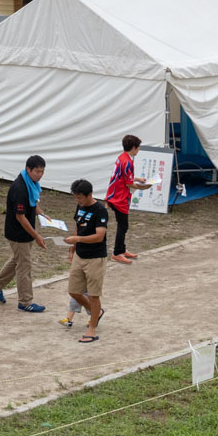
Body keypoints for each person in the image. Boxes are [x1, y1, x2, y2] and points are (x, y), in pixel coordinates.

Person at [0, 154, 48, 312]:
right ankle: (25, 301)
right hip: (18, 233)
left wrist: (41, 214)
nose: (40, 175)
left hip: (24, 232)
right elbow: (20, 217)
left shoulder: (31, 184)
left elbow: (33, 204)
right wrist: (37, 236)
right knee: (24, 266)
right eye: (37, 172)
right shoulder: (20, 188)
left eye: (42, 172)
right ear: (28, 169)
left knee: (17, 260)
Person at [65, 178, 108, 344]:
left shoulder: (100, 210)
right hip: (79, 255)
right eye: (76, 198)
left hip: (95, 258)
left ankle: (92, 329)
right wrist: (72, 248)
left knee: (94, 294)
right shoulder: (80, 207)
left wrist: (78, 239)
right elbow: (78, 226)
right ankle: (96, 312)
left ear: (89, 194)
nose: (78, 201)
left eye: (80, 198)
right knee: (74, 291)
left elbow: (99, 236)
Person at [105, 134, 151, 263]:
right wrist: (144, 187)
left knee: (123, 225)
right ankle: (116, 253)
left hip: (115, 195)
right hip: (119, 198)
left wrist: (138, 179)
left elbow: (125, 177)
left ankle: (122, 249)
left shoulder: (122, 158)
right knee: (123, 225)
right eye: (138, 147)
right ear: (133, 147)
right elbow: (129, 183)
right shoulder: (128, 162)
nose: (138, 150)